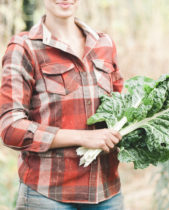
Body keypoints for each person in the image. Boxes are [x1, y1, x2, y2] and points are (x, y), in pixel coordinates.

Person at [0, 0, 124, 209]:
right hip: (48, 196)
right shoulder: (24, 47)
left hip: (107, 193)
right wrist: (82, 137)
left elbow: (123, 109)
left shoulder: (104, 44)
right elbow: (10, 128)